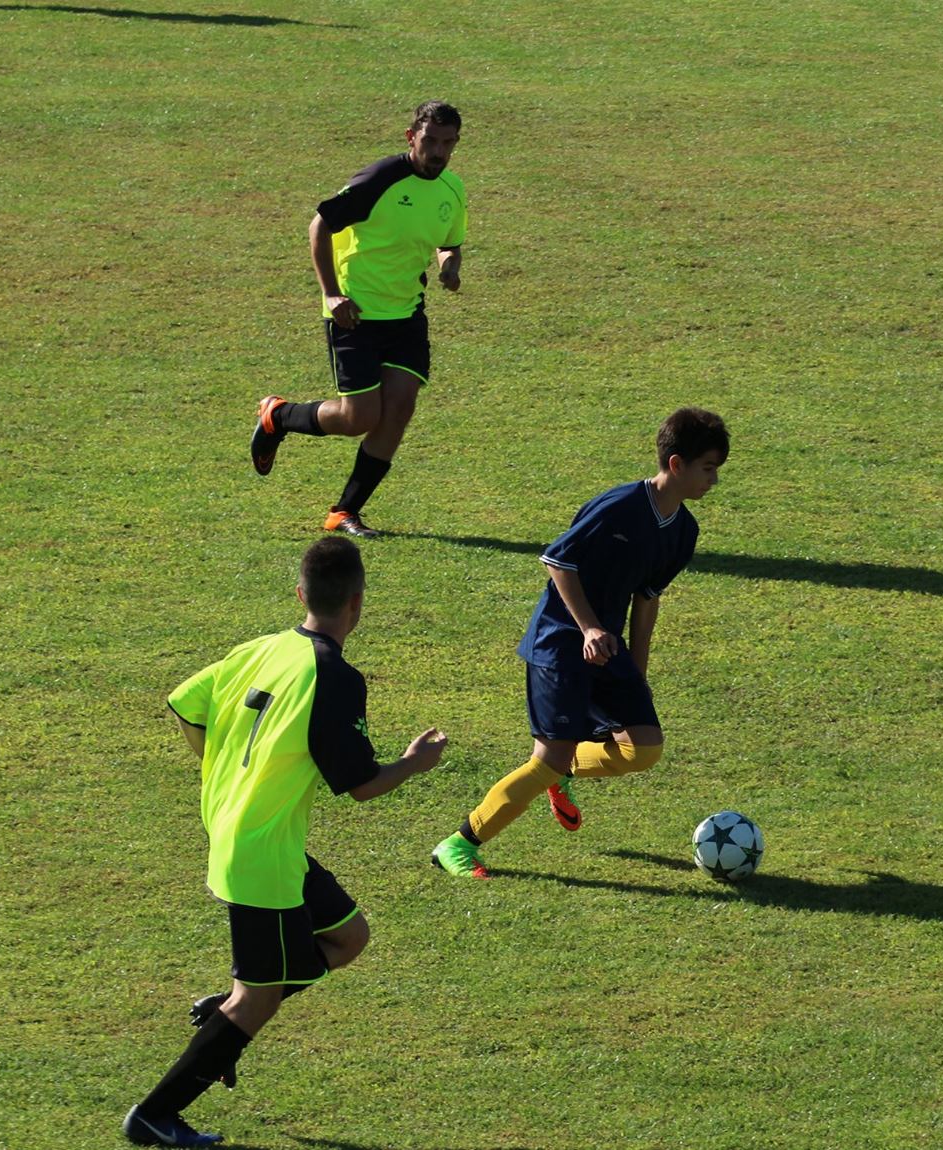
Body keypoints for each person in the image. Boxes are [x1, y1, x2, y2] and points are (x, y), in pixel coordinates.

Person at [125, 538, 448, 1146]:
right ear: (357, 603)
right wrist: (415, 762)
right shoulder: (335, 678)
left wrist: (224, 772)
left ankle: (225, 1020)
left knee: (348, 937)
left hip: (252, 836)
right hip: (262, 854)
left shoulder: (259, 649)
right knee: (258, 998)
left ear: (301, 594)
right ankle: (155, 1114)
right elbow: (361, 785)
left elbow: (186, 706)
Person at [431, 408, 729, 879]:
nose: (714, 480)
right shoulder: (618, 506)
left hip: (608, 648)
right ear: (676, 464)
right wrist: (589, 628)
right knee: (548, 758)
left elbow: (647, 599)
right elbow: (558, 561)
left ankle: (563, 771)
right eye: (708, 468)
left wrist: (638, 671)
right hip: (560, 644)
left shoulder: (683, 531)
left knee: (644, 748)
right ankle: (458, 844)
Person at [248, 101, 468, 539]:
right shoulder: (379, 179)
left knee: (399, 409)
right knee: (358, 419)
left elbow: (449, 241)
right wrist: (332, 294)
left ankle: (345, 511)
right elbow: (320, 226)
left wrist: (449, 265)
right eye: (430, 141)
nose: (438, 151)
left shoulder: (452, 188)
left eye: (447, 143)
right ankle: (279, 416)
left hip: (406, 314)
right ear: (411, 137)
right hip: (356, 314)